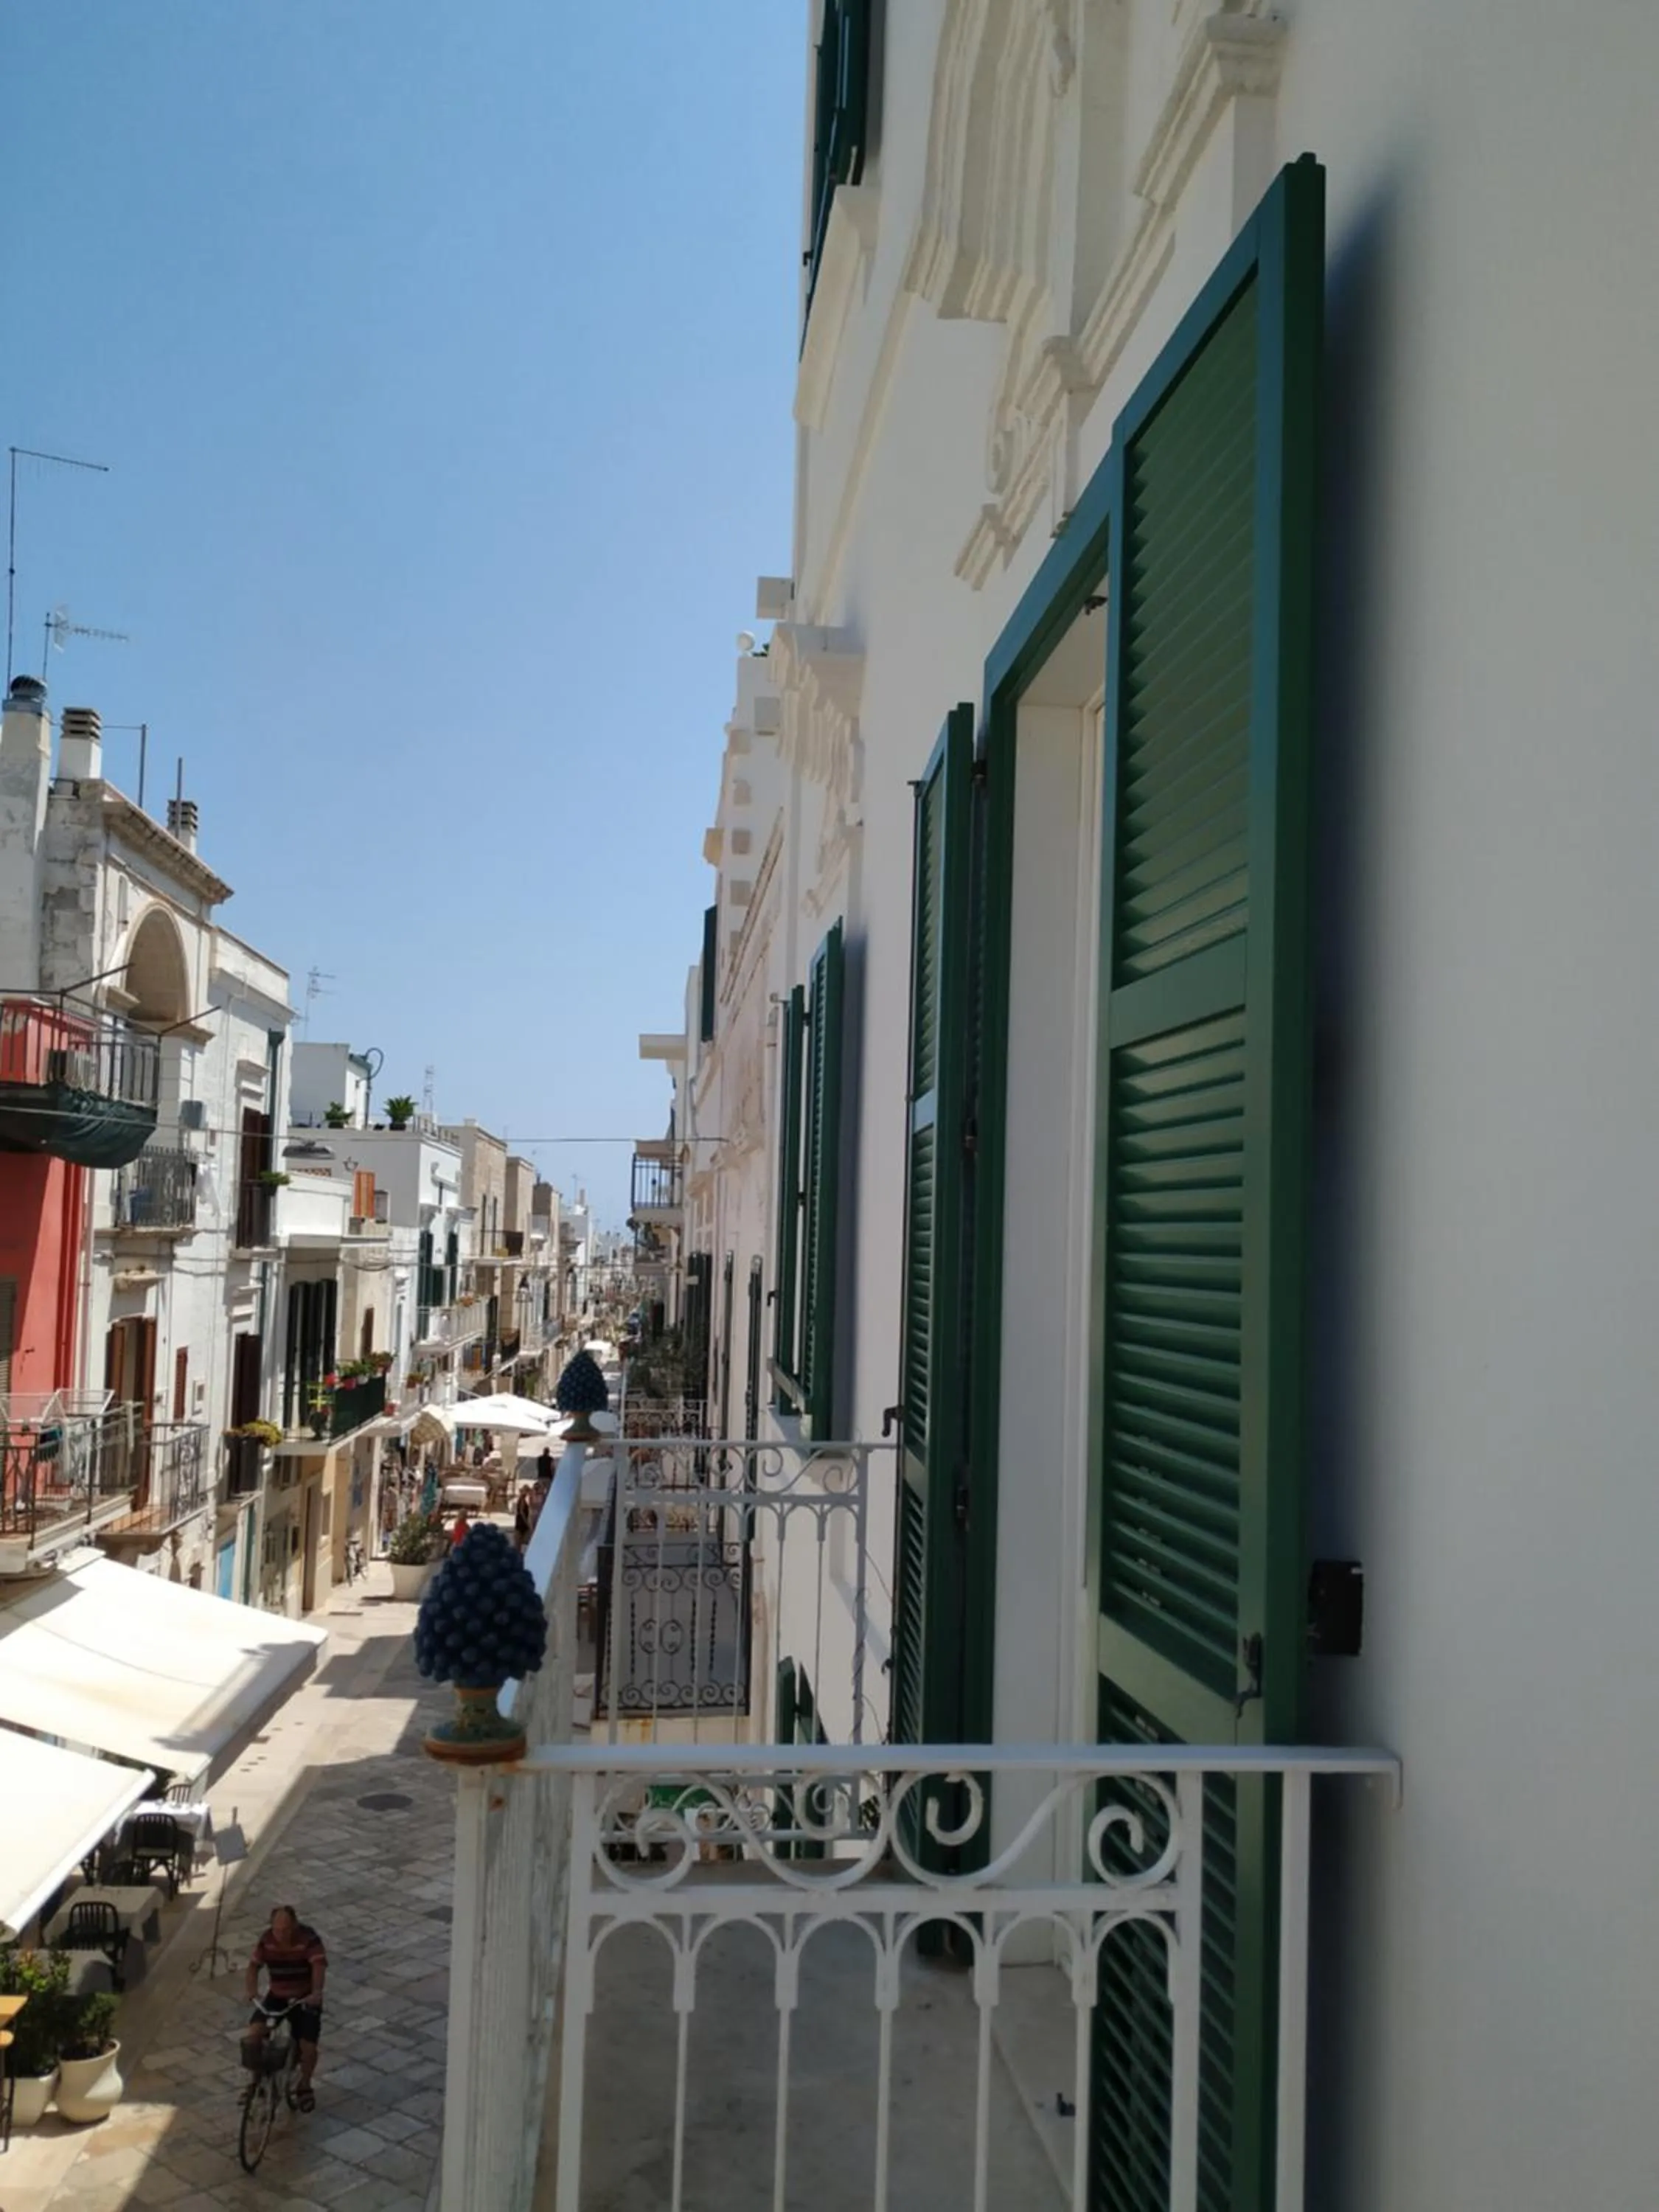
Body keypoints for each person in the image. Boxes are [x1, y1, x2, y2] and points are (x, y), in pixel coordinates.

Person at [243, 1905, 326, 2109]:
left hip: (303, 1997)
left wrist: (316, 1993)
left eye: (287, 1929)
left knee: (308, 2046)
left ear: (295, 1925)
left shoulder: (309, 1939)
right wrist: (252, 1991)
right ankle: (255, 2082)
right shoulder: (267, 1940)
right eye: (278, 1930)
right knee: (254, 2034)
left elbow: (318, 1965)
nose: (282, 1934)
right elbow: (254, 1966)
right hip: (278, 1995)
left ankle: (304, 2085)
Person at [513, 1486, 532, 1553]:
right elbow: (521, 1512)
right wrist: (526, 1522)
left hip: (520, 1522)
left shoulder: (524, 1499)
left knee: (519, 1543)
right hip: (521, 1522)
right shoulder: (522, 1499)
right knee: (518, 1543)